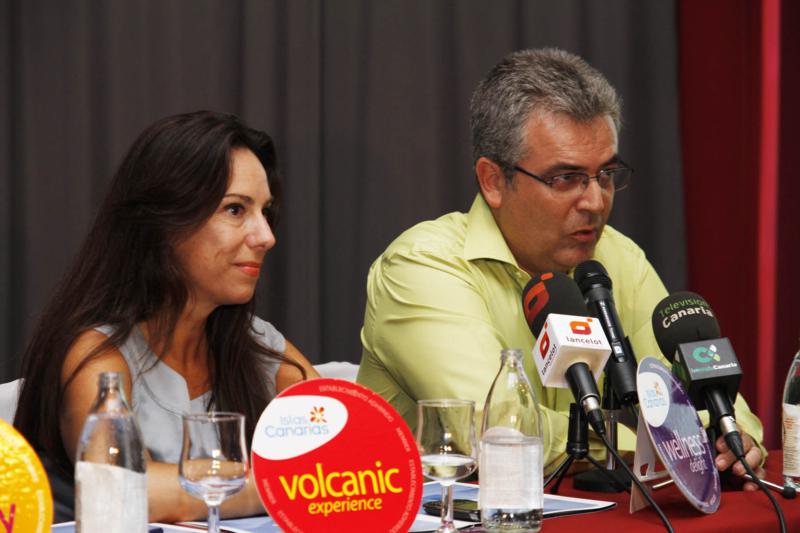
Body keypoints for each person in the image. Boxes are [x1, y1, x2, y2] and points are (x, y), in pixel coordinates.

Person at [358, 48, 765, 489]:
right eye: (565, 178)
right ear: (493, 181)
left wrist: (730, 437)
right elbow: (499, 429)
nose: (595, 202)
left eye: (606, 174)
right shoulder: (421, 267)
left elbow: (704, 399)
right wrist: (660, 444)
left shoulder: (616, 258)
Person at [13, 110, 320, 522]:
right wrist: (296, 482)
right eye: (235, 210)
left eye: (266, 212)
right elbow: (120, 490)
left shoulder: (257, 344)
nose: (266, 236)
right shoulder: (97, 352)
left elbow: (353, 451)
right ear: (163, 222)